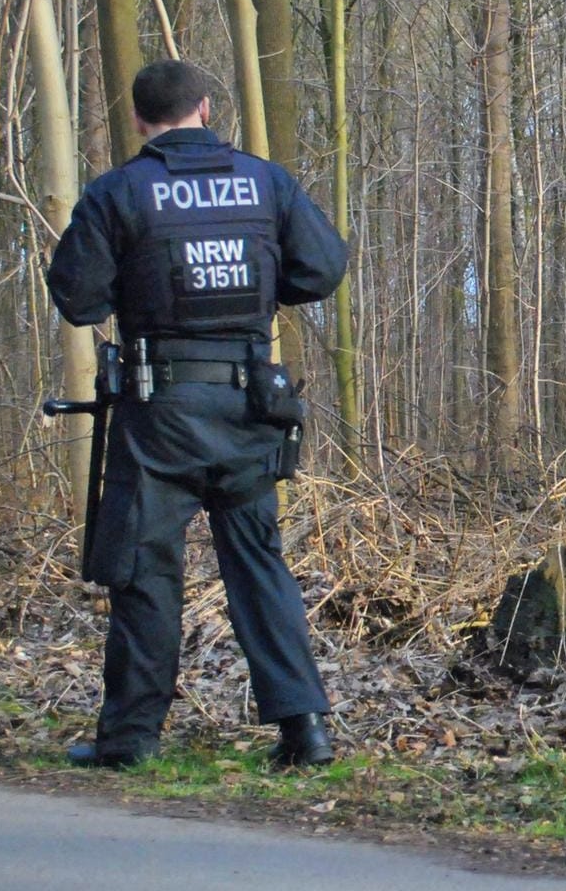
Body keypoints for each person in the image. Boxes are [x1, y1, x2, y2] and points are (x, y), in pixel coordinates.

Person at [46, 61, 347, 768]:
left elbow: (78, 299)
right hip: (251, 407)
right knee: (258, 566)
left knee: (146, 572)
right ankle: (306, 730)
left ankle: (130, 741)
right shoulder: (266, 182)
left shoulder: (119, 192)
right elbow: (322, 269)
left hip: (161, 415)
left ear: (140, 119)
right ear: (207, 108)